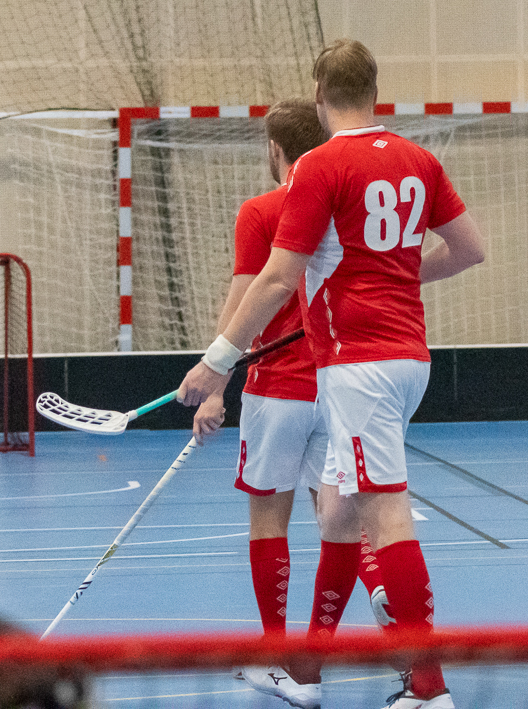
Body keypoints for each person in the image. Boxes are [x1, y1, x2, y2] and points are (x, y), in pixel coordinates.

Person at [180, 39, 486, 709]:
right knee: (341, 515)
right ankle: (309, 671)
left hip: (359, 367)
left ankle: (430, 689)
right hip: (410, 361)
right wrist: (400, 274)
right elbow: (469, 249)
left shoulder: (319, 166)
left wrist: (216, 361)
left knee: (386, 513)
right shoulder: (419, 159)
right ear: (375, 90)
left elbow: (275, 279)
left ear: (319, 95)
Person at [190, 99, 390, 709]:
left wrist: (215, 384)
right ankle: (363, 605)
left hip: (276, 390)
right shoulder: (345, 203)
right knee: (340, 518)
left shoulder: (262, 210)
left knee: (268, 521)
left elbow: (243, 297)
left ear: (275, 150)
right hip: (338, 384)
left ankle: (277, 658)